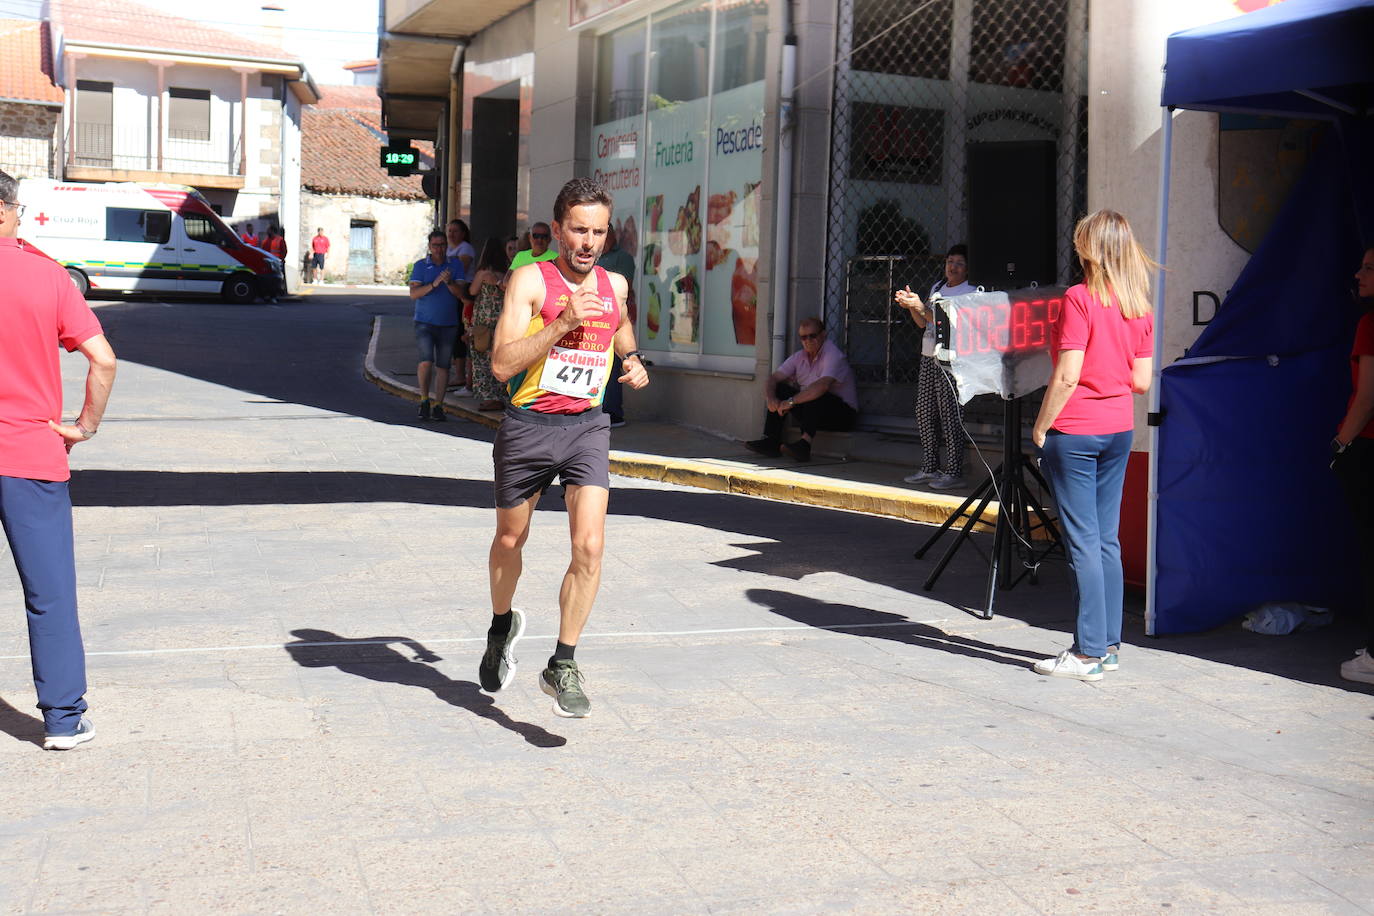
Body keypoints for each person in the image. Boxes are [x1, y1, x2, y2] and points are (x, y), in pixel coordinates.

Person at [483, 177, 649, 718]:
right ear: (558, 230)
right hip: (528, 425)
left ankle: (563, 662)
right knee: (511, 539)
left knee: (591, 546)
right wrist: (562, 322)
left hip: (586, 427)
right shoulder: (530, 280)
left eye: (598, 232)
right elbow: (502, 365)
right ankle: (502, 623)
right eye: (578, 230)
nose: (588, 242)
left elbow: (619, 323)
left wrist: (630, 358)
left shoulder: (615, 285)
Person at [0, 170, 118, 750]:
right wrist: (83, 427)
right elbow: (103, 360)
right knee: (49, 593)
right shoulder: (47, 276)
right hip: (30, 452)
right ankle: (63, 720)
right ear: (3, 212)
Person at [1030, 209, 1155, 681]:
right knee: (1105, 540)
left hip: (1077, 429)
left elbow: (1067, 374)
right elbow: (1141, 381)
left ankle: (1086, 653)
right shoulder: (1138, 307)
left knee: (1083, 541)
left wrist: (1042, 425)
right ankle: (1109, 646)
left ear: (1090, 248)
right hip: (1118, 429)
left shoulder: (1079, 299)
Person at [894, 244, 976, 489]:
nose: (953, 267)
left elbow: (950, 323)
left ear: (968, 268)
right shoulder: (938, 287)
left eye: (959, 263)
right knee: (924, 410)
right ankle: (930, 466)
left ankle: (954, 471)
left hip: (951, 359)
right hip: (929, 356)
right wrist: (913, 306)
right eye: (950, 261)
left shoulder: (969, 291)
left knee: (950, 414)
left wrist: (923, 308)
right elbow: (923, 323)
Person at [1333, 246, 1374, 685]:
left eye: (1369, 268)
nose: (1359, 274)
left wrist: (1340, 446)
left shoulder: (1369, 323)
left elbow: (1367, 397)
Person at [745, 317, 859, 462]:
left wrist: (791, 402)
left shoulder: (833, 354)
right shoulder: (799, 357)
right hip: (815, 412)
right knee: (780, 389)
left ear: (823, 335)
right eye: (804, 337)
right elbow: (773, 379)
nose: (808, 340)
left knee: (815, 391)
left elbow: (822, 385)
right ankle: (771, 441)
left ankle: (804, 444)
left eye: (813, 336)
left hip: (843, 416)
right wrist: (771, 399)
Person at [408, 230, 468, 421]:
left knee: (443, 366)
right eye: (435, 245)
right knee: (426, 361)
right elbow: (414, 294)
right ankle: (424, 399)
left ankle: (438, 405)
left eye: (442, 245)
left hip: (448, 323)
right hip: (424, 322)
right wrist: (434, 284)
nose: (439, 249)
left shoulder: (455, 265)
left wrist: (448, 281)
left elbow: (461, 294)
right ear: (429, 247)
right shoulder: (420, 266)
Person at [596, 222, 636, 427]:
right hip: (590, 317)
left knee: (612, 366)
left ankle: (613, 412)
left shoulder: (623, 258)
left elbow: (623, 289)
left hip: (613, 315)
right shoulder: (592, 256)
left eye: (600, 232)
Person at [466, 238, 511, 411]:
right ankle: (501, 394)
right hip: (501, 319)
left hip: (483, 321)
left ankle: (489, 397)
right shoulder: (506, 272)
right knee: (498, 357)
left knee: (481, 359)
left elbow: (472, 291)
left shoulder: (484, 273)